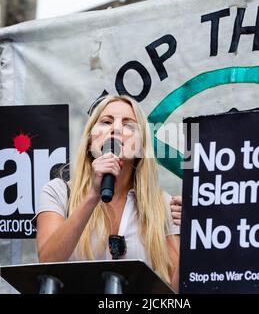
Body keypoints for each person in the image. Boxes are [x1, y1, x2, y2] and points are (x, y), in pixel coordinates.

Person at [34, 95, 182, 292]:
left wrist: (192, 237)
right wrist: (92, 196)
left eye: (129, 125)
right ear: (89, 141)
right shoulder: (59, 192)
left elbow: (174, 291)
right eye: (106, 122)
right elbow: (48, 261)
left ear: (141, 147)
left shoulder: (163, 205)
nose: (117, 129)